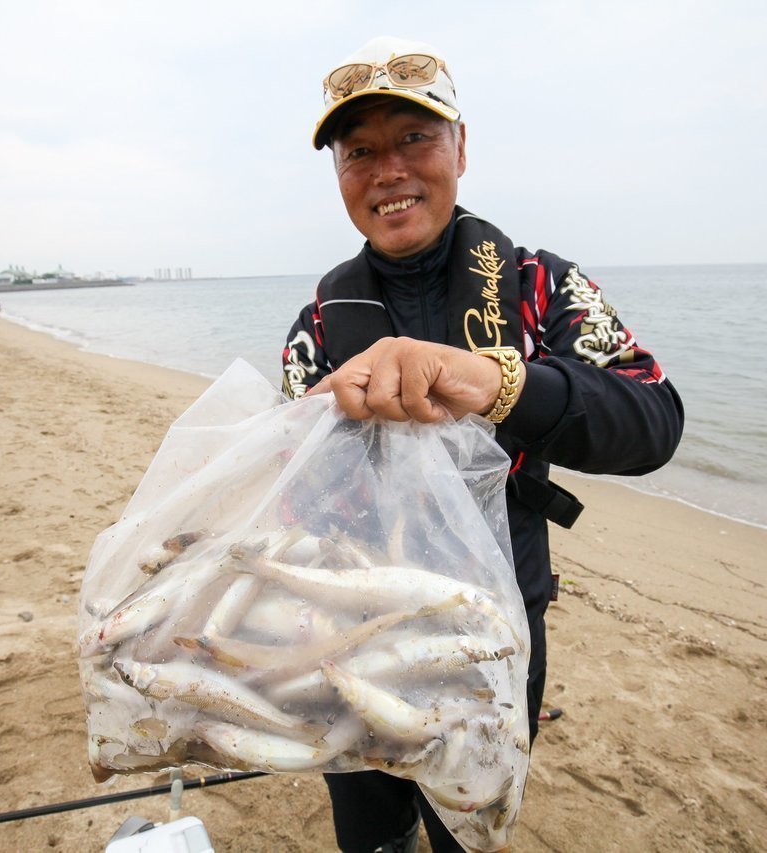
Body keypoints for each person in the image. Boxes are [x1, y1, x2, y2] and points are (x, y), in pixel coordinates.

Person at [281, 36, 684, 852]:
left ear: (461, 147)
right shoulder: (319, 325)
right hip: (355, 638)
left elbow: (654, 417)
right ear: (339, 177)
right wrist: (322, 432)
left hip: (499, 625)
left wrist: (504, 383)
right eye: (360, 151)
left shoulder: (543, 287)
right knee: (368, 825)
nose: (389, 170)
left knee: (470, 823)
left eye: (415, 138)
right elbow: (291, 504)